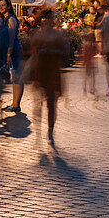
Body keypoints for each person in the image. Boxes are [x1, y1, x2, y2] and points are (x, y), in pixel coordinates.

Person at [30, 8, 68, 140]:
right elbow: (32, 51)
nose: (49, 21)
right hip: (41, 70)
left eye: (51, 18)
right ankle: (39, 130)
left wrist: (51, 50)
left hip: (52, 70)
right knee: (38, 102)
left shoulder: (58, 34)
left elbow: (65, 52)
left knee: (51, 103)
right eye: (47, 18)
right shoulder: (38, 34)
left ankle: (50, 129)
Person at [0, 0, 25, 113]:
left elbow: (12, 38)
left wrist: (9, 53)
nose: (1, 7)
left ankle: (17, 105)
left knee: (17, 77)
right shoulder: (5, 19)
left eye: (3, 5)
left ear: (8, 6)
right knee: (14, 78)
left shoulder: (11, 19)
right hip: (10, 51)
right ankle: (14, 104)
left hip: (13, 51)